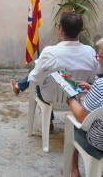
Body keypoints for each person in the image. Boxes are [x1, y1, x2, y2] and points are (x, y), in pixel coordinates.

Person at [10, 12, 98, 100]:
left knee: (40, 70)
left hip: (51, 98)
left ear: (61, 29)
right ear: (80, 31)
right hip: (80, 98)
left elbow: (34, 79)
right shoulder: (91, 52)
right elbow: (93, 77)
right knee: (50, 71)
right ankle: (19, 86)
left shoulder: (50, 52)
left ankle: (19, 87)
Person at [66, 37, 103, 177]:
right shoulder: (99, 85)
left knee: (72, 124)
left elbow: (82, 117)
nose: (97, 59)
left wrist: (70, 99)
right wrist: (93, 88)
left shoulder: (101, 85)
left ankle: (73, 171)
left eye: (99, 55)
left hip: (99, 144)